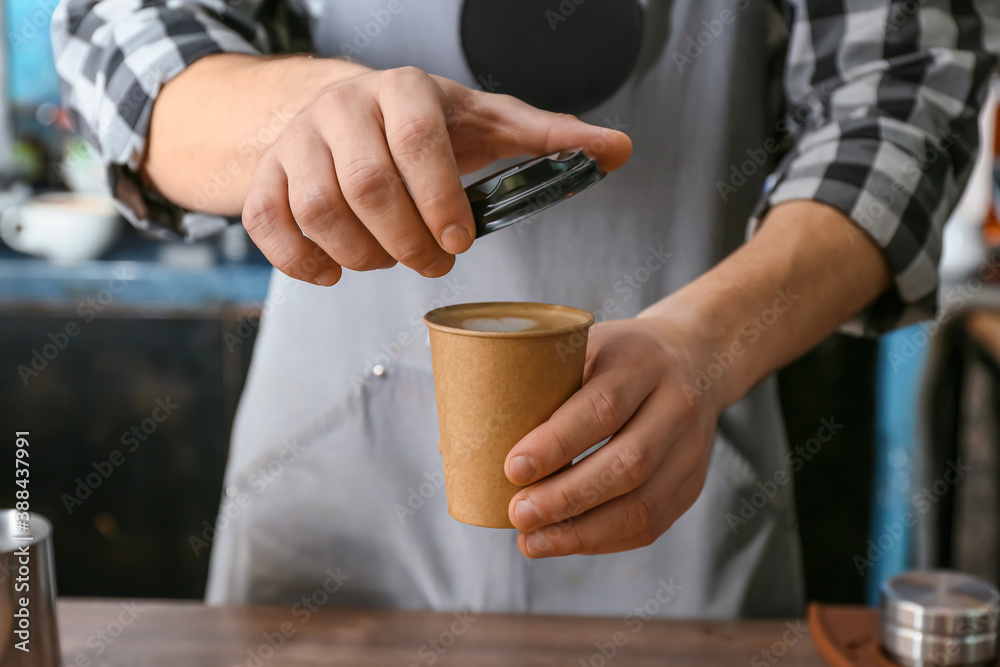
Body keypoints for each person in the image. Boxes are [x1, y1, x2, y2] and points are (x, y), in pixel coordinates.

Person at [52, 0, 998, 617]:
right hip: (333, 504)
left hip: (679, 479)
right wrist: (310, 119)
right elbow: (127, 36)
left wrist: (705, 344)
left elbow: (900, 100)